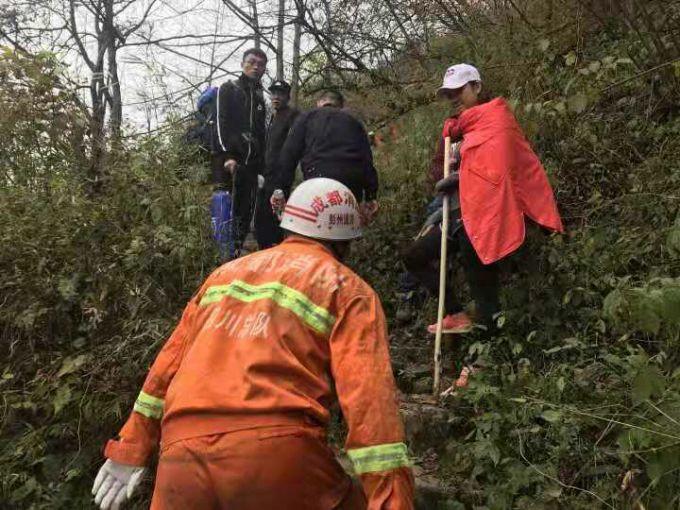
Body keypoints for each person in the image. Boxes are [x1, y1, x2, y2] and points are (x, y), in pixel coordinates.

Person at [91, 178, 415, 510]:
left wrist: (133, 444)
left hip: (181, 454)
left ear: (288, 225)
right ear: (345, 242)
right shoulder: (347, 289)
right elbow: (370, 405)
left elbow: (167, 367)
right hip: (276, 454)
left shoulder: (223, 275)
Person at [404, 63, 564, 336]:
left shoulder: (497, 120)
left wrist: (463, 175)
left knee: (474, 257)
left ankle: (485, 351)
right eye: (448, 93)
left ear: (476, 87)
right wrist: (445, 173)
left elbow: (502, 168)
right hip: (458, 211)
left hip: (491, 210)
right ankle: (455, 312)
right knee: (413, 255)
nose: (453, 98)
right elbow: (436, 171)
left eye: (458, 90)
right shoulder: (451, 132)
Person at [270, 90, 379, 224]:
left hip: (318, 181)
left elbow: (288, 156)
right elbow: (367, 160)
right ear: (341, 106)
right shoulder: (354, 123)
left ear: (319, 103)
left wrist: (281, 191)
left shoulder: (306, 118)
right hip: (350, 186)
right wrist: (371, 196)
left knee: (317, 229)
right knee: (343, 231)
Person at [212, 47, 268, 254]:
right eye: (251, 62)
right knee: (226, 206)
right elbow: (220, 124)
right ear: (242, 64)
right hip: (229, 160)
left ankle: (237, 251)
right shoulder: (229, 89)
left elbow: (262, 135)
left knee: (246, 208)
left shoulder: (260, 99)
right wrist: (228, 156)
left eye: (261, 64)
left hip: (251, 164)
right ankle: (220, 253)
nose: (256, 66)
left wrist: (262, 167)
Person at [254, 79, 300, 249]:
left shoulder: (293, 115)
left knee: (275, 220)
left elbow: (293, 146)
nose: (276, 97)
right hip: (265, 177)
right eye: (273, 93)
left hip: (280, 177)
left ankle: (277, 253)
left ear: (287, 97)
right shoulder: (271, 117)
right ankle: (265, 252)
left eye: (280, 94)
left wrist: (283, 177)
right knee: (261, 220)